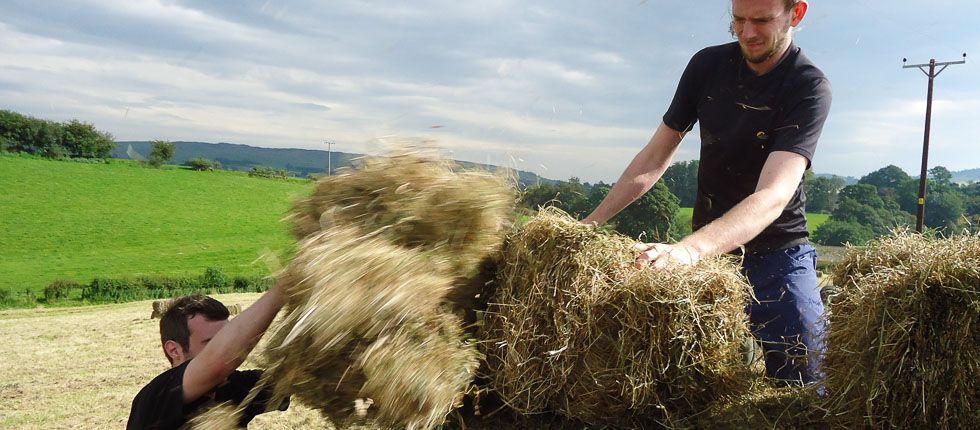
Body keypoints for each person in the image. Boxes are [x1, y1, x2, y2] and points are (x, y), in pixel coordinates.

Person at [583, 0, 831, 385]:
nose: (747, 33)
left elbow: (773, 195)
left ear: (796, 14)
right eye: (738, 19)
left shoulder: (808, 86)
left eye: (762, 21)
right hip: (708, 256)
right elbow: (654, 155)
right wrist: (589, 225)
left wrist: (687, 250)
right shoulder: (707, 66)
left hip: (777, 255)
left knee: (804, 377)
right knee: (683, 384)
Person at [127, 286, 288, 429]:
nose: (228, 348)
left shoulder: (236, 386)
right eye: (213, 344)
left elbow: (293, 378)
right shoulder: (155, 398)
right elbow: (218, 363)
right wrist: (285, 286)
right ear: (174, 350)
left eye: (227, 339)